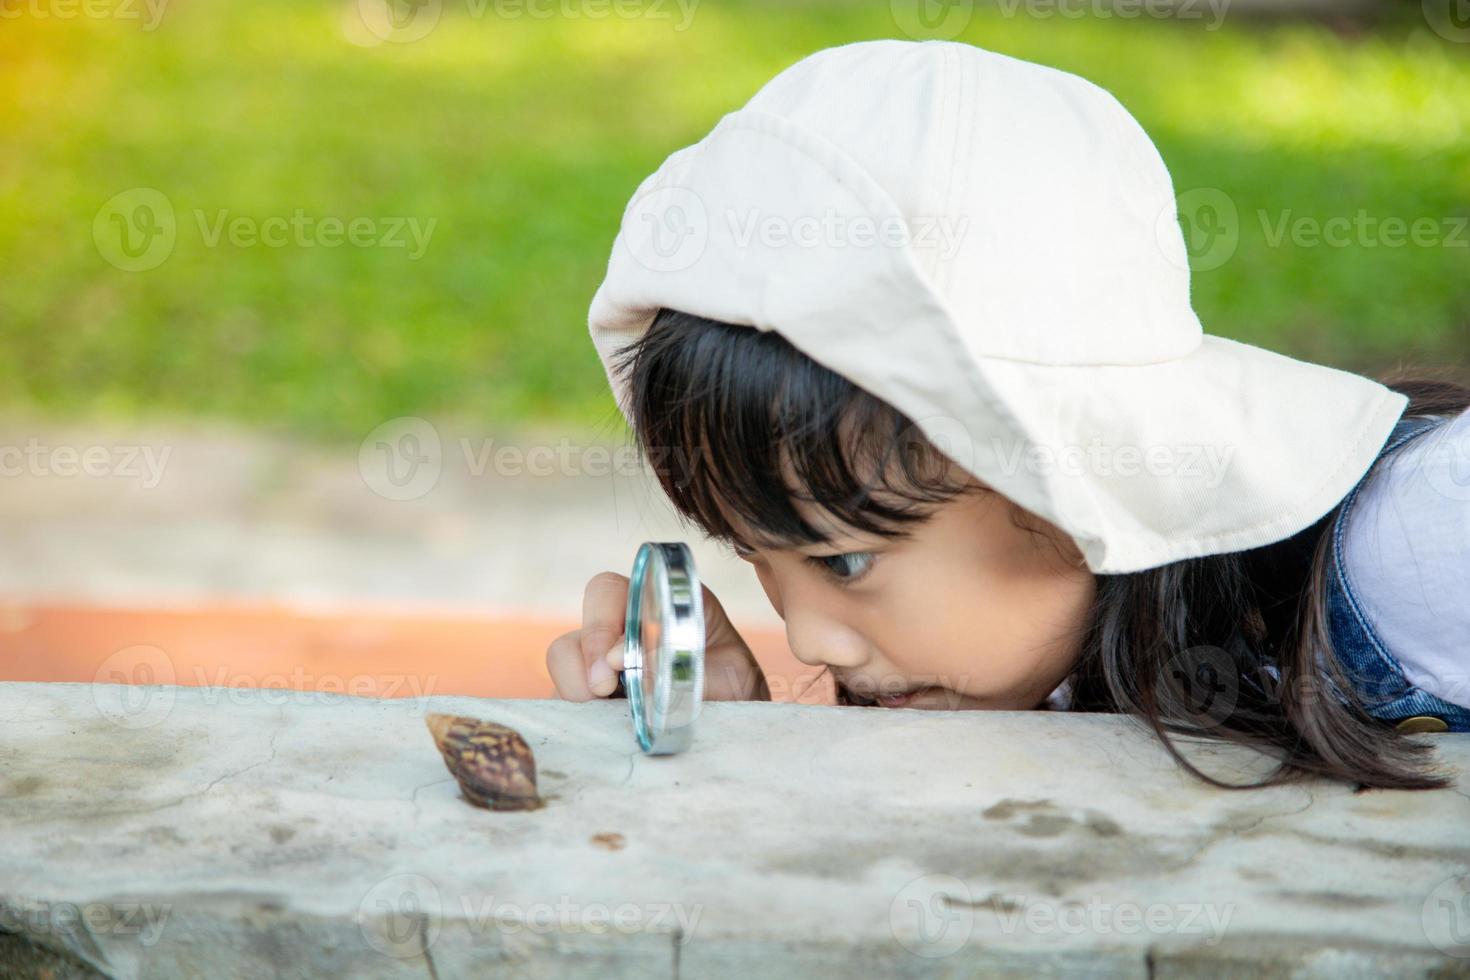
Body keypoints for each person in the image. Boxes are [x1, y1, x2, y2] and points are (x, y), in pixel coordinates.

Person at [546, 39, 1468, 790]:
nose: (805, 638)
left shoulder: (1421, 538)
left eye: (848, 559)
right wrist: (744, 754)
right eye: (758, 556)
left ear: (1077, 482)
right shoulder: (1044, 667)